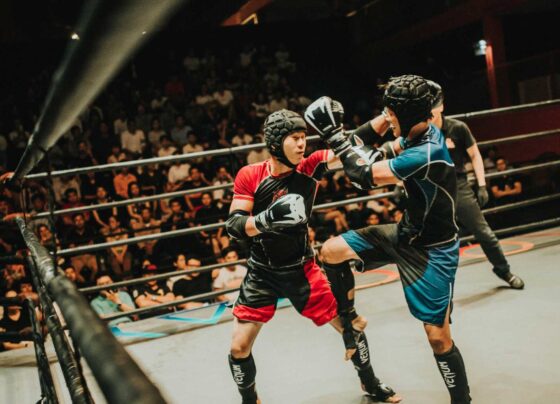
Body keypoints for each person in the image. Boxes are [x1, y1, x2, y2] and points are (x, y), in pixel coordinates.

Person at [305, 75, 471, 403]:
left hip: (433, 251)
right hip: (404, 233)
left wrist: (335, 137)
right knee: (331, 251)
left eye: (390, 114)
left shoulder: (427, 151)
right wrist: (374, 123)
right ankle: (349, 321)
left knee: (438, 338)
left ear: (403, 115)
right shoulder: (415, 133)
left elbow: (363, 176)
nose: (386, 119)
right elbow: (363, 144)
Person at [224, 109, 399, 403]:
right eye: (294, 138)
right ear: (276, 142)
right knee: (238, 347)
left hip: (301, 270)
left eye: (304, 137)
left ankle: (370, 382)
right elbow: (234, 225)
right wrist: (267, 220)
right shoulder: (251, 174)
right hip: (261, 273)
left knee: (351, 327)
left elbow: (353, 143)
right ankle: (249, 400)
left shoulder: (309, 166)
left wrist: (386, 114)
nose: (302, 144)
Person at [428, 81, 524, 289]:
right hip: (431, 188)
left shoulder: (457, 128)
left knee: (483, 232)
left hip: (458, 186)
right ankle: (432, 286)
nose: (429, 113)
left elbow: (475, 155)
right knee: (429, 240)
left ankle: (504, 271)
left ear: (441, 107)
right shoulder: (419, 133)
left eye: (432, 107)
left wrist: (481, 185)